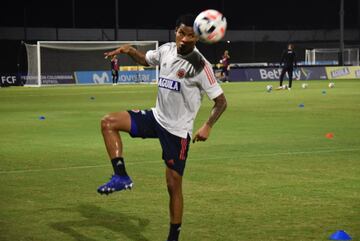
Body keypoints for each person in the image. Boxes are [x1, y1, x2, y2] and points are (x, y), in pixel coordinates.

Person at [98, 14, 227, 241]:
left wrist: (207, 126)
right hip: (157, 118)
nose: (185, 39)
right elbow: (146, 60)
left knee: (173, 185)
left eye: (191, 35)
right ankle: (121, 176)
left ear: (198, 38)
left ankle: (173, 238)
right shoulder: (166, 49)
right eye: (181, 33)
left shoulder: (201, 66)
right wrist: (129, 51)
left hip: (178, 132)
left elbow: (221, 102)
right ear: (175, 31)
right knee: (108, 122)